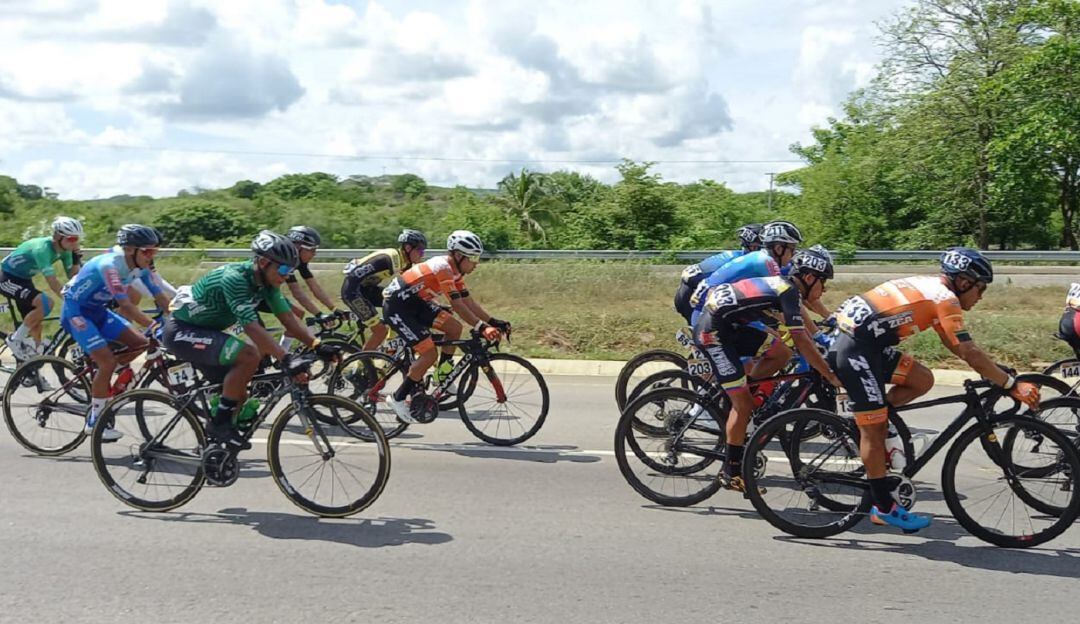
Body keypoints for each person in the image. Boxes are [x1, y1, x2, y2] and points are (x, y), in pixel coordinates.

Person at [828, 247, 1040, 532]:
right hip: (854, 350)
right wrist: (1010, 384)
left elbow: (956, 344)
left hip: (867, 345)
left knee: (922, 379)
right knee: (873, 429)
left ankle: (876, 421)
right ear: (964, 282)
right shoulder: (945, 299)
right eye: (981, 289)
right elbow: (966, 350)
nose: (981, 297)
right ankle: (883, 506)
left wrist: (996, 370)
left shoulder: (933, 289)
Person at [163, 230, 341, 449]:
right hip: (182, 331)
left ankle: (213, 448)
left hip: (207, 332)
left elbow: (288, 318)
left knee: (239, 393)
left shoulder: (268, 284)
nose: (287, 275)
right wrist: (286, 358)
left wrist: (316, 345)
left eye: (291, 270)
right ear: (264, 262)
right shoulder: (235, 278)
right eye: (284, 269)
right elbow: (251, 326)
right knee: (249, 355)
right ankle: (218, 425)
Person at [692, 247, 841, 493]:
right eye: (823, 283)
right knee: (744, 405)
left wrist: (824, 342)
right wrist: (828, 373)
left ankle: (740, 389)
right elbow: (802, 340)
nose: (824, 290)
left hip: (729, 325)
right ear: (809, 278)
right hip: (713, 333)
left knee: (781, 352)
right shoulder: (789, 290)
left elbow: (799, 330)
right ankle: (731, 472)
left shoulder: (784, 288)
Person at [381, 230, 509, 423]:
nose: (476, 263)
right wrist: (482, 328)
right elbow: (457, 305)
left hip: (416, 303)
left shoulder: (456, 272)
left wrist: (492, 321)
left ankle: (443, 374)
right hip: (398, 307)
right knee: (429, 353)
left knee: (454, 328)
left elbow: (468, 302)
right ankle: (397, 398)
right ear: (458, 255)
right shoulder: (443, 268)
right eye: (473, 257)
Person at [61, 225, 171, 441]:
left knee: (140, 343)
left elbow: (160, 297)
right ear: (130, 250)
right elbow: (127, 306)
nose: (151, 257)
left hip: (98, 311)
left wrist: (178, 318)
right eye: (148, 252)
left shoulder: (140, 266)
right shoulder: (110, 265)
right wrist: (154, 326)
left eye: (154, 252)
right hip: (77, 312)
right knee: (107, 363)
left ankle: (107, 375)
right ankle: (95, 420)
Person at [686, 220, 803, 326]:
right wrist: (808, 331)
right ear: (778, 249)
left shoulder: (759, 257)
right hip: (710, 314)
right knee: (771, 340)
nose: (793, 254)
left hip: (711, 308)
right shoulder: (766, 262)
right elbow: (785, 298)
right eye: (792, 248)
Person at [0, 216, 84, 359]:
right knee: (46, 303)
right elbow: (52, 283)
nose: (75, 243)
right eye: (71, 239)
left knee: (36, 325)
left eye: (77, 239)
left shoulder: (66, 250)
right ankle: (14, 340)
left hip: (24, 279)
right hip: (6, 277)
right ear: (58, 237)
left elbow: (73, 277)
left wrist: (76, 260)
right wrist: (70, 300)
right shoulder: (42, 249)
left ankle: (32, 367)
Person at [341, 229, 427, 351]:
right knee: (380, 331)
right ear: (408, 248)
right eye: (420, 250)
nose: (422, 254)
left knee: (399, 304)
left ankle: (390, 345)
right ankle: (365, 367)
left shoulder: (405, 263)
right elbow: (353, 277)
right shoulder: (390, 258)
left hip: (366, 289)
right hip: (352, 291)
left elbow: (410, 288)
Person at [673, 224, 762, 324]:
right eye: (761, 247)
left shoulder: (745, 259)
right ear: (752, 247)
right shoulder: (736, 260)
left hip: (694, 290)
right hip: (690, 293)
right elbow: (690, 277)